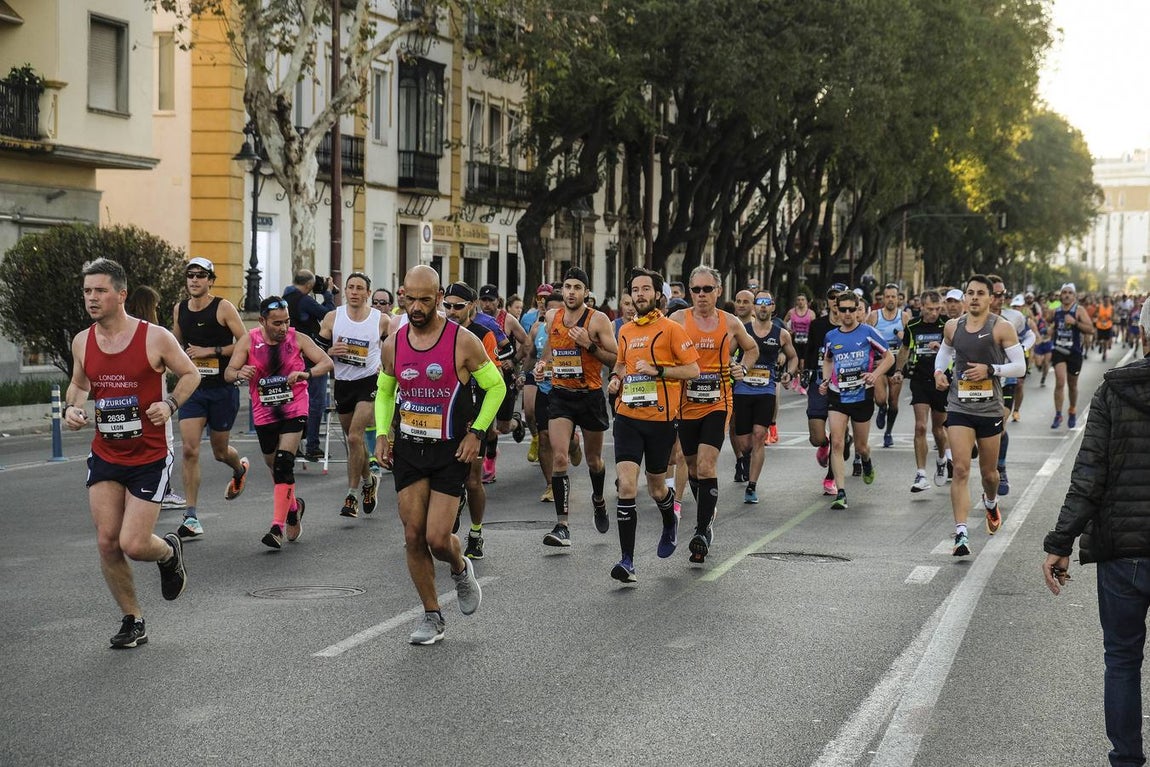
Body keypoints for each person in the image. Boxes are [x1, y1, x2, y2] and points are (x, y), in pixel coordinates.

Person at [64, 258, 197, 648]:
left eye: (100, 290)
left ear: (121, 294)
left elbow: (190, 374)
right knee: (107, 541)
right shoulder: (83, 341)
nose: (92, 298)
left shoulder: (155, 338)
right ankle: (133, 619)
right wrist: (73, 408)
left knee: (134, 544)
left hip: (149, 455)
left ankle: (168, 552)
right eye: (87, 291)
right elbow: (79, 384)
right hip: (106, 453)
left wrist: (170, 404)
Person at [372, 265, 499, 644]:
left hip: (449, 450)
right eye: (410, 299)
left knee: (439, 539)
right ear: (402, 295)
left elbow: (496, 388)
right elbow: (385, 391)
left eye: (425, 300)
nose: (416, 307)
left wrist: (477, 432)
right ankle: (432, 615)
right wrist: (383, 432)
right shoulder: (394, 343)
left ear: (439, 297)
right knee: (414, 535)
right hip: (410, 448)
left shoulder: (463, 341)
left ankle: (459, 568)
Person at [1042, 356, 1150, 767]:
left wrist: (1061, 542)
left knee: (1122, 659)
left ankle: (1126, 760)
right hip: (1124, 547)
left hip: (1123, 550)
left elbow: (1089, 476)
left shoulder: (1114, 391)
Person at [607, 268, 700, 580]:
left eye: (646, 289)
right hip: (627, 417)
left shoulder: (672, 329)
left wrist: (658, 371)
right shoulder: (624, 330)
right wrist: (616, 378)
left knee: (656, 488)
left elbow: (693, 370)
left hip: (660, 421)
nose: (640, 294)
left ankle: (670, 519)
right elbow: (621, 363)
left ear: (658, 294)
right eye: (635, 290)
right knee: (627, 485)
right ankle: (627, 561)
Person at [225, 296, 334, 548]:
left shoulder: (298, 338)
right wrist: (240, 372)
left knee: (284, 463)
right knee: (275, 467)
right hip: (264, 411)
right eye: (277, 323)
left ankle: (277, 527)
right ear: (262, 321)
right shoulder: (249, 341)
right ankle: (294, 509)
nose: (284, 327)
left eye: (286, 321)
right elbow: (229, 373)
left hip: (295, 406)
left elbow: (326, 362)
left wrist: (306, 373)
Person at [670, 267, 758, 560]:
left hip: (718, 403)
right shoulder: (677, 320)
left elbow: (752, 349)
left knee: (707, 466)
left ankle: (702, 530)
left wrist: (742, 367)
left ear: (718, 291)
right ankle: (708, 513)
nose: (701, 295)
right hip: (685, 404)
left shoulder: (730, 322)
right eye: (696, 290)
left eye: (707, 289)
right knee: (692, 467)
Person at [933, 275, 1024, 556]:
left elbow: (1020, 367)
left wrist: (991, 370)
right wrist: (938, 372)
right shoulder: (953, 326)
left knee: (989, 474)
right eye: (970, 293)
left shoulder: (1002, 327)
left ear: (990, 298)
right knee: (960, 469)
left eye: (980, 293)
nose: (974, 297)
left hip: (989, 408)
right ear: (964, 298)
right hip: (959, 405)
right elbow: (945, 352)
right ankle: (961, 533)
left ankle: (991, 502)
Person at [534, 267, 619, 547]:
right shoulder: (552, 317)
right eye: (567, 287)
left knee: (594, 460)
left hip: (590, 396)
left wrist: (589, 345)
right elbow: (551, 347)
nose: (571, 293)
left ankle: (599, 499)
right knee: (560, 458)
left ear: (586, 292)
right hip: (561, 395)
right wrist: (542, 365)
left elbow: (617, 359)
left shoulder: (598, 320)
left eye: (577, 288)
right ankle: (562, 526)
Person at [171, 257, 250, 538]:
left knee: (219, 451)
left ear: (210, 281)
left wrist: (211, 351)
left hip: (221, 390)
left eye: (201, 275)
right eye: (190, 275)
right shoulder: (180, 309)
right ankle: (191, 516)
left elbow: (245, 342)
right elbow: (175, 345)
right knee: (189, 450)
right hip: (192, 389)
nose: (194, 280)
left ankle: (239, 469)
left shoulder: (223, 307)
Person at [317, 272, 390, 518]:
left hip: (369, 382)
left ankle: (351, 495)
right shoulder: (332, 317)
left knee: (355, 436)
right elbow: (315, 350)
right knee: (354, 440)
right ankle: (369, 481)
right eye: (351, 287)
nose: (355, 292)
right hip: (343, 384)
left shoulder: (381, 320)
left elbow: (393, 349)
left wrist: (385, 366)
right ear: (345, 291)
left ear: (368, 293)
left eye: (360, 288)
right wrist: (330, 350)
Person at [818, 289, 893, 509]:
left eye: (852, 309)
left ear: (858, 310)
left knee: (861, 447)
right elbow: (828, 360)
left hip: (861, 395)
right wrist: (825, 380)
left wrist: (875, 375)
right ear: (837, 311)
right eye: (843, 310)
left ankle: (866, 461)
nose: (848, 314)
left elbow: (889, 357)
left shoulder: (868, 332)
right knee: (837, 442)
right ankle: (841, 493)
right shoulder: (831, 336)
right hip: (837, 394)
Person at [442, 282, 501, 559]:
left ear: (472, 306)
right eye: (447, 306)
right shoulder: (438, 332)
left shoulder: (483, 335)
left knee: (473, 480)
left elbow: (494, 382)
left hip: (475, 415)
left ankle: (476, 533)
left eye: (458, 306)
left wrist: (481, 424)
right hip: (445, 415)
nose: (451, 311)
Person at [125, 285, 187, 513]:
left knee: (133, 445)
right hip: (155, 401)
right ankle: (164, 491)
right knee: (164, 446)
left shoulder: (125, 332)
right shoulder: (155, 335)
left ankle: (134, 491)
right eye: (157, 306)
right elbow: (175, 369)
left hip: (128, 400)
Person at [732, 290, 796, 505]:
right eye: (758, 302)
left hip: (766, 391)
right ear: (754, 307)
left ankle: (752, 486)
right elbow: (727, 353)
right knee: (744, 444)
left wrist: (789, 373)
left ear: (772, 307)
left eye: (766, 303)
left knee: (759, 435)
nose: (762, 306)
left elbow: (793, 357)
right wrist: (733, 366)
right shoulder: (743, 331)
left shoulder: (781, 334)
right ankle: (746, 458)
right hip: (742, 390)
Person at [897, 289, 949, 492]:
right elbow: (904, 349)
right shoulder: (913, 325)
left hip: (941, 381)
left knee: (939, 429)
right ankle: (921, 474)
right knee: (920, 426)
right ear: (921, 306)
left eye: (937, 309)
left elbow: (956, 350)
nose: (934, 313)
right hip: (919, 380)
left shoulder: (947, 325)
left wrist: (941, 347)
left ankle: (942, 459)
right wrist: (898, 371)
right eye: (930, 309)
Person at [477, 284, 528, 483]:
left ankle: (517, 423)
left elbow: (526, 342)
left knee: (503, 427)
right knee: (487, 424)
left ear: (498, 301)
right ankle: (489, 460)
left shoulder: (508, 319)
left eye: (490, 301)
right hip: (484, 377)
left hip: (505, 376)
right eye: (483, 300)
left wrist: (514, 361)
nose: (487, 304)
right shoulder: (475, 321)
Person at [284, 269, 335, 461]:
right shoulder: (304, 300)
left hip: (290, 356)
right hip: (310, 356)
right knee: (315, 402)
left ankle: (293, 444)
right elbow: (328, 315)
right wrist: (328, 293)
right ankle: (312, 445)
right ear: (308, 285)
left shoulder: (285, 298)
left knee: (294, 401)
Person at [866, 283, 909, 448]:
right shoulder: (874, 316)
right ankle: (881, 408)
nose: (891, 299)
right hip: (880, 363)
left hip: (897, 364)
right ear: (883, 298)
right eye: (888, 296)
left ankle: (888, 432)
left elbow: (909, 343)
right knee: (880, 398)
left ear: (898, 299)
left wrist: (903, 337)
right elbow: (866, 340)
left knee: (894, 402)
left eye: (893, 296)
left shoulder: (904, 317)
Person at [1048, 282, 1095, 429]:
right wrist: (1050, 330)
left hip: (1074, 352)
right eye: (1064, 292)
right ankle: (1058, 414)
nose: (1067, 295)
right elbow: (1050, 325)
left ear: (1074, 296)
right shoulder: (1056, 311)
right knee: (1060, 382)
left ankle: (1072, 410)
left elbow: (1091, 329)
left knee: (1072, 385)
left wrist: (1075, 322)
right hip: (1059, 350)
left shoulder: (1079, 310)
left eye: (1069, 293)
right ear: (1061, 295)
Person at [784, 292, 813, 394]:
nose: (800, 302)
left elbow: (814, 326)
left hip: (806, 341)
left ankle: (802, 384)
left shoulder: (811, 313)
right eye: (798, 300)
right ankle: (796, 378)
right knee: (795, 364)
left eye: (802, 300)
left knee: (802, 364)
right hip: (794, 340)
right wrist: (788, 329)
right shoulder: (791, 312)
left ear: (806, 301)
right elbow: (784, 322)